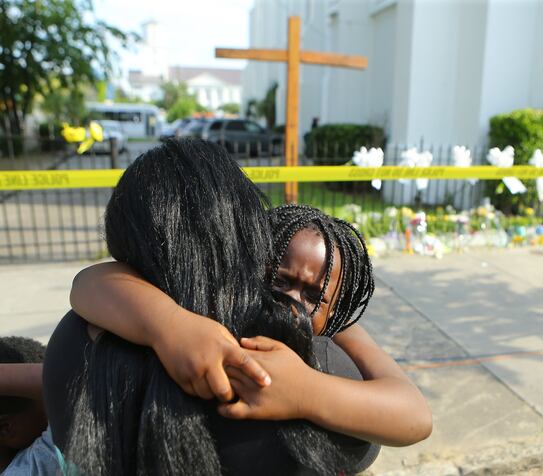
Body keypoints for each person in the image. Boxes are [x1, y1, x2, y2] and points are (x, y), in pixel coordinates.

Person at [42, 139, 377, 475]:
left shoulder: (73, 343)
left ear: (123, 241)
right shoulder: (306, 367)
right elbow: (397, 422)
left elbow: (87, 285)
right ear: (249, 231)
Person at [69, 204, 432, 446]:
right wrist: (169, 325)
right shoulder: (215, 312)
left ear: (336, 310)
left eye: (314, 296)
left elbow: (414, 415)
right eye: (278, 279)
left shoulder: (336, 331)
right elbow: (90, 283)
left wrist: (306, 391)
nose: (292, 303)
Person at [0, 337, 59, 475]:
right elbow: (65, 383)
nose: (53, 413)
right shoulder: (37, 464)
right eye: (48, 404)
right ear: (5, 429)